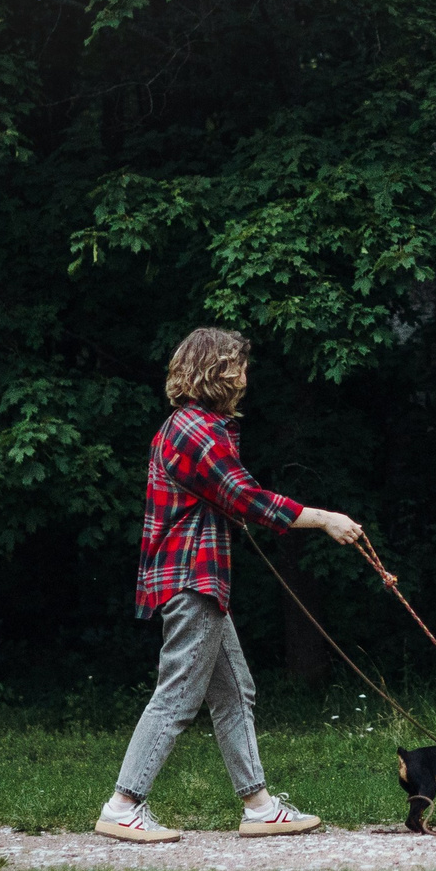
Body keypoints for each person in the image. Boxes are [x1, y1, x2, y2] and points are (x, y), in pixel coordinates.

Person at [96, 326, 364, 842]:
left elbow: (224, 498)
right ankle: (123, 805)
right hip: (192, 579)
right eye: (236, 366)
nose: (244, 376)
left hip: (198, 580)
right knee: (177, 694)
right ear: (214, 370)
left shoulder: (192, 427)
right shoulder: (194, 429)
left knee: (234, 689)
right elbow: (245, 497)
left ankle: (259, 807)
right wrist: (324, 518)